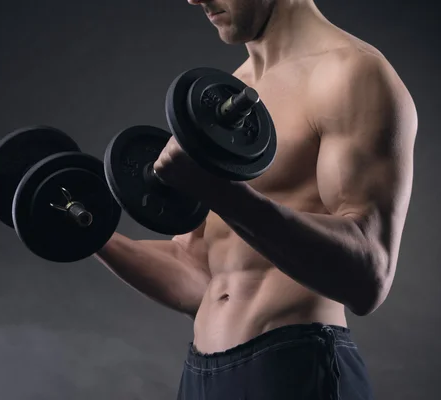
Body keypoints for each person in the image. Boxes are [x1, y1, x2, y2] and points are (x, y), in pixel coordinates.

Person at [96, 0, 417, 398]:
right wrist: (93, 232)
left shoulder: (351, 74)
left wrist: (218, 191)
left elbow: (370, 275)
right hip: (202, 375)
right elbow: (196, 273)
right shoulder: (228, 90)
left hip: (295, 368)